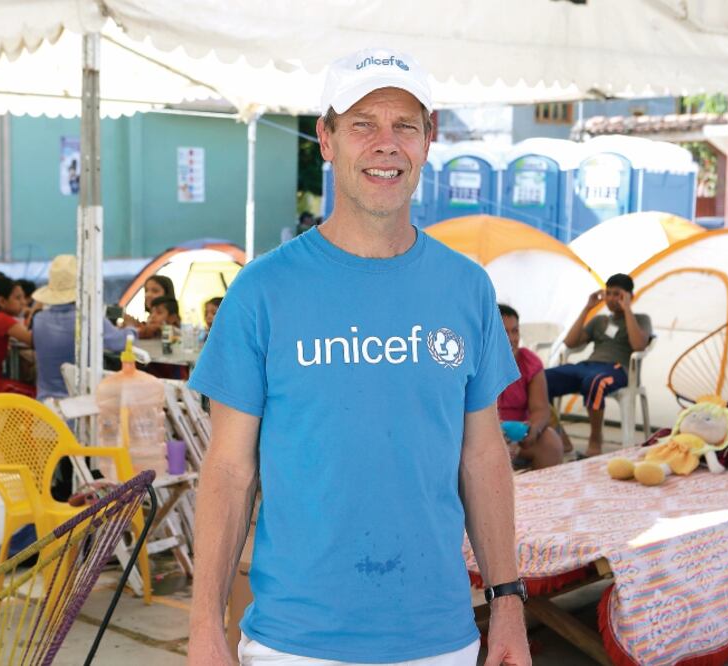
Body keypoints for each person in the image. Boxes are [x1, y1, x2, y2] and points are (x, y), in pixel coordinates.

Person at [188, 48, 530, 666]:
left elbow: (482, 457)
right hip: (292, 644)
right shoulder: (262, 290)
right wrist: (205, 624)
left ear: (429, 139)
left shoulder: (467, 288)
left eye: (405, 125)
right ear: (326, 138)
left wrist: (507, 602)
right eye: (362, 124)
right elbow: (230, 471)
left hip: (440, 638)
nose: (385, 143)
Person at [546, 273, 652, 457]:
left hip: (617, 369)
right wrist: (587, 309)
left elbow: (639, 345)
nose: (611, 299)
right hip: (588, 365)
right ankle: (559, 436)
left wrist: (627, 309)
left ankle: (595, 439)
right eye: (608, 293)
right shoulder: (600, 321)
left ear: (629, 296)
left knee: (595, 382)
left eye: (617, 294)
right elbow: (570, 343)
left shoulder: (641, 319)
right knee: (540, 380)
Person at [31, 255, 132, 402]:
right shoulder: (88, 319)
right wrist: (131, 327)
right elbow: (122, 343)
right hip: (81, 409)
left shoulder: (39, 320)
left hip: (46, 409)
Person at [497, 304, 564, 470]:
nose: (511, 338)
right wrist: (492, 433)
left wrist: (533, 429)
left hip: (519, 438)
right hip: (483, 437)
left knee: (551, 442)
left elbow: (541, 409)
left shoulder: (529, 362)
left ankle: (538, 494)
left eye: (515, 331)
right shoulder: (472, 363)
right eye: (504, 332)